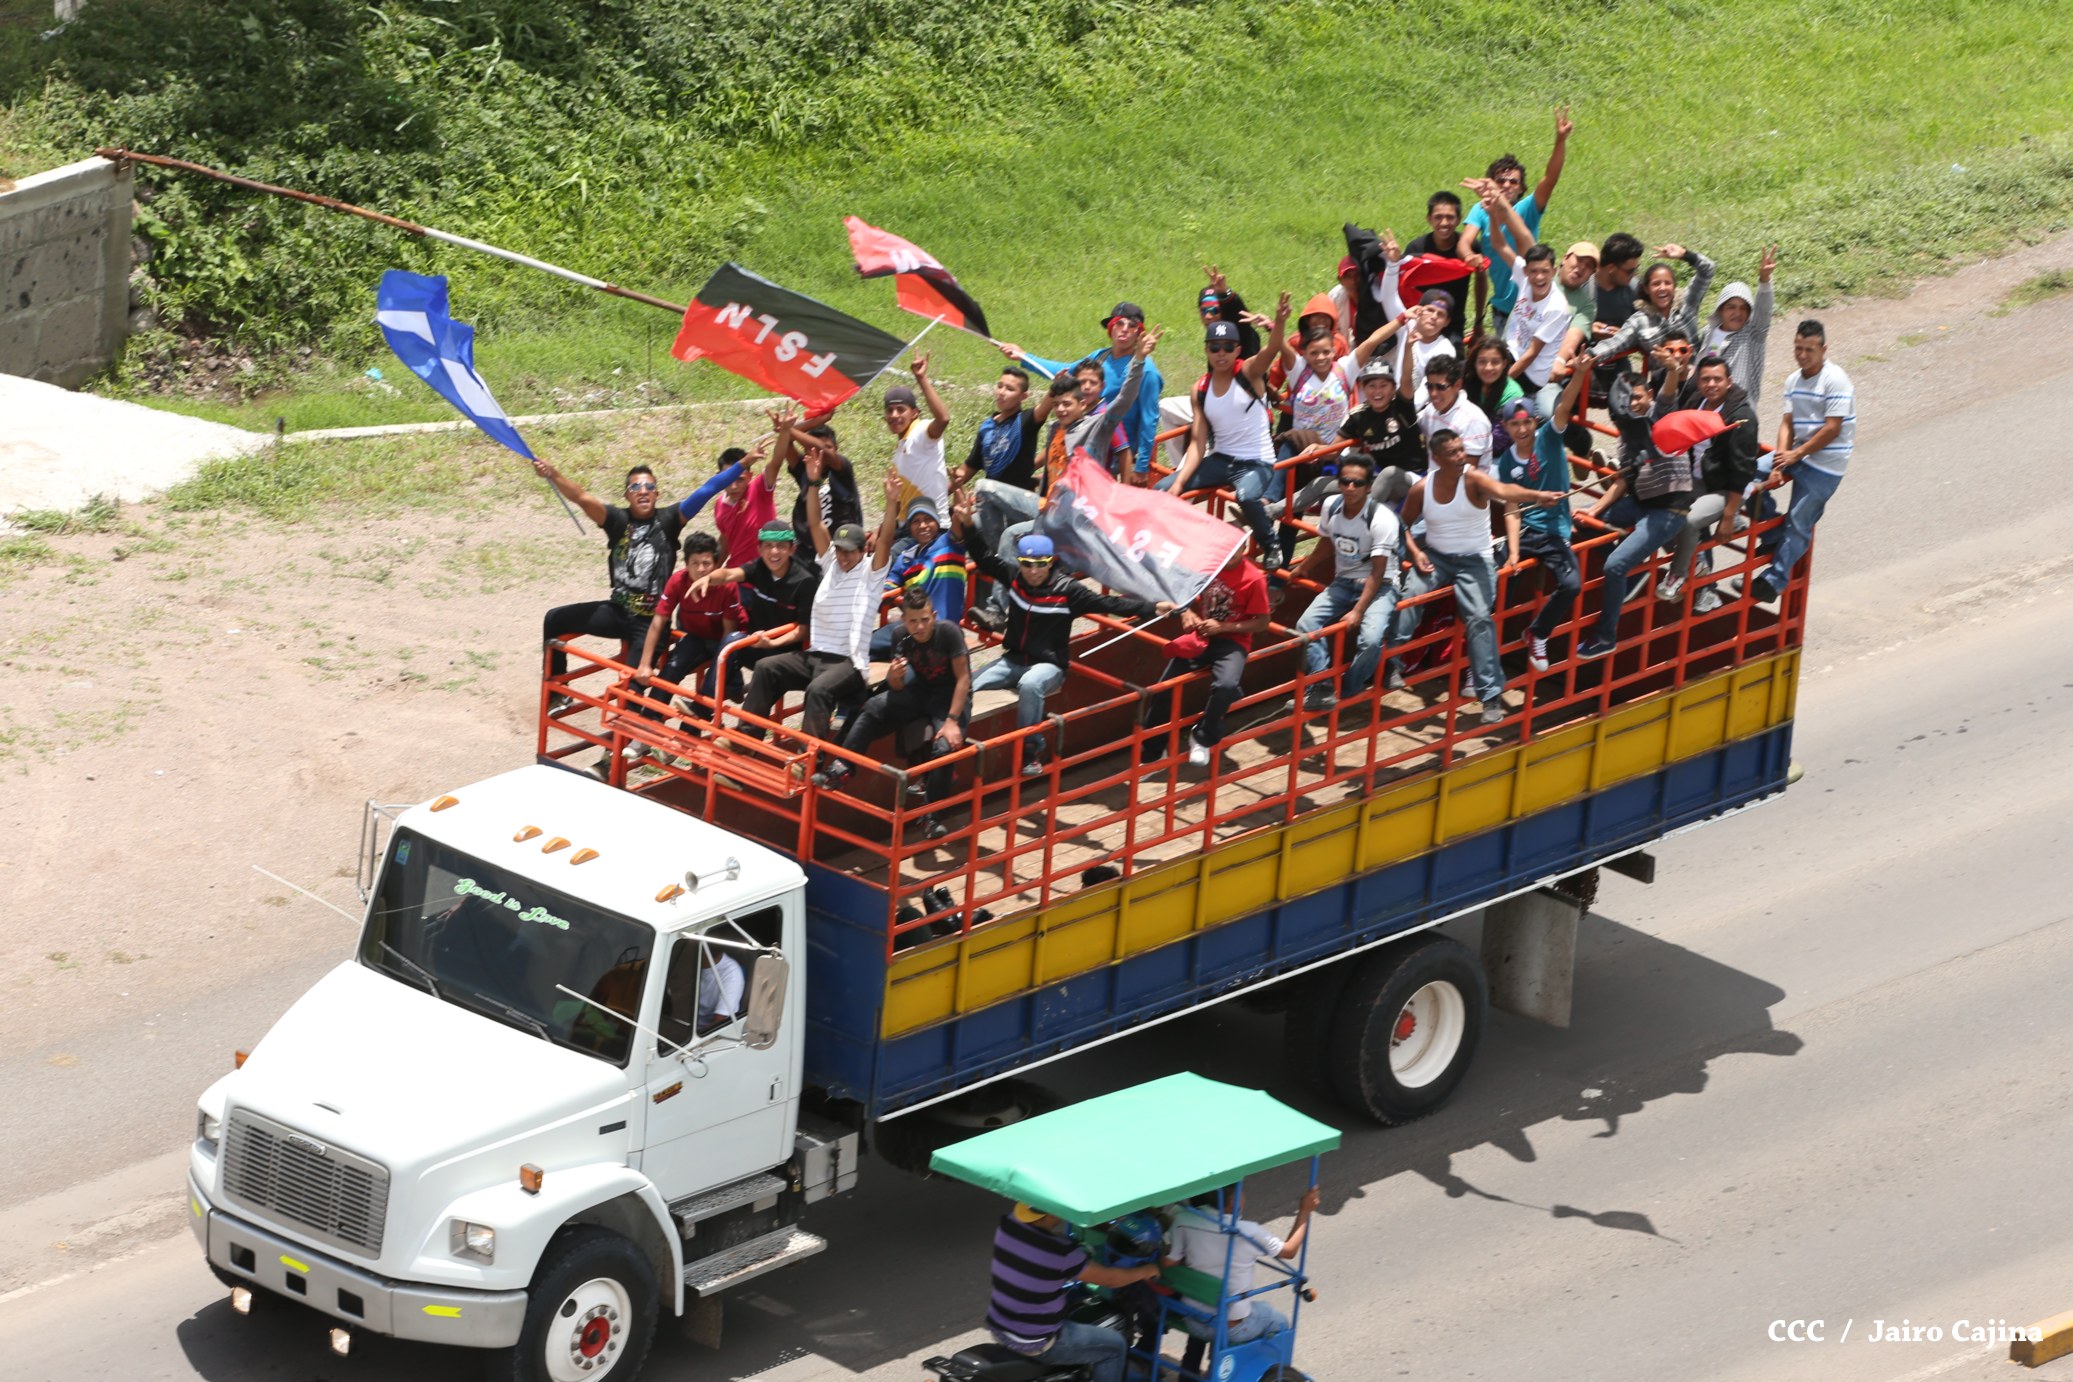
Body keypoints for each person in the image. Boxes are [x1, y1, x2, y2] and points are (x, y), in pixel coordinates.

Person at [952, 504, 1165, 774]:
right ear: (1020, 563)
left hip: (1049, 666)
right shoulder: (1014, 578)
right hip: (1012, 661)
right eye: (1027, 564)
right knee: (965, 685)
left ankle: (1030, 752)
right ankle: (952, 746)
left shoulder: (1068, 590)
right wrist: (969, 525)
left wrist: (1152, 608)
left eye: (1040, 564)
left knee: (1030, 684)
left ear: (1051, 562)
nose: (1033, 571)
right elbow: (984, 559)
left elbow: (1110, 604)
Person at [1387, 430, 1565, 722]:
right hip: (1437, 557)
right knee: (1410, 598)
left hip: (1475, 562)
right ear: (1436, 458)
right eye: (1453, 453)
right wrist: (1416, 553)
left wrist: (1537, 496)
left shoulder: (1474, 479)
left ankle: (1490, 695)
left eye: (1461, 449)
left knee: (1479, 619)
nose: (1461, 456)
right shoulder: (1422, 488)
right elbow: (1400, 525)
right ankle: (1391, 664)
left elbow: (1505, 491)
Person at [735, 465, 900, 742]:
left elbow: (885, 539)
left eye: (849, 552)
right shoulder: (831, 564)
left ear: (862, 551)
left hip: (848, 663)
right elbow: (815, 524)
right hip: (816, 655)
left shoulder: (871, 574)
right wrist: (812, 483)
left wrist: (892, 501)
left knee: (818, 690)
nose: (843, 557)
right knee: (766, 667)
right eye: (840, 550)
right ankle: (746, 739)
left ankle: (809, 756)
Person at [814, 589, 972, 840]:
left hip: (950, 698)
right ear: (904, 620)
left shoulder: (949, 633)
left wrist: (952, 721)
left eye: (925, 619)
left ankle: (931, 815)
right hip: (920, 691)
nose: (920, 627)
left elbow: (963, 679)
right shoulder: (900, 636)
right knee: (872, 706)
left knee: (944, 748)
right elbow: (897, 687)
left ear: (933, 616)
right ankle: (843, 766)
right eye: (913, 621)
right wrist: (893, 677)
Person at [534, 460, 693, 704]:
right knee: (554, 619)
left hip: (651, 623)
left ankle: (632, 724)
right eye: (635, 487)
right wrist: (553, 473)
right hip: (618, 611)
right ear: (627, 495)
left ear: (657, 494)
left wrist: (742, 464)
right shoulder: (618, 520)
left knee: (630, 694)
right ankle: (558, 694)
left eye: (649, 487)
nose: (643, 491)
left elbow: (707, 491)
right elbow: (581, 498)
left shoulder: (669, 520)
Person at [1575, 361, 1699, 660]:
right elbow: (1623, 480)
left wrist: (1672, 370)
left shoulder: (1661, 416)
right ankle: (1633, 572)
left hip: (1669, 510)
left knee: (1614, 566)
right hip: (1640, 502)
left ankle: (1606, 637)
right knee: (1580, 522)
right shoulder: (1627, 432)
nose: (1633, 403)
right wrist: (1594, 510)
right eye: (1627, 399)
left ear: (1650, 395)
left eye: (1638, 397)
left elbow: (1668, 395)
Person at [1165, 296, 1292, 569]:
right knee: (1161, 489)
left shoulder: (1248, 372)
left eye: (1227, 347)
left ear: (1238, 350)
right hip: (1221, 459)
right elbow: (1197, 443)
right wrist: (1178, 481)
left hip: (1257, 461)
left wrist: (1279, 322)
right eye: (1214, 347)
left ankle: (1271, 545)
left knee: (1245, 496)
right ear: (1207, 350)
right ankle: (1176, 545)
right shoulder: (1200, 388)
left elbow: (1271, 350)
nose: (1220, 353)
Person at [981, 1202, 1159, 1382]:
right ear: (1051, 1214)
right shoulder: (1060, 1250)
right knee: (1116, 1346)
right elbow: (1111, 1280)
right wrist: (1146, 1271)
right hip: (1035, 1341)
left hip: (999, 1327)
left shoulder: (1008, 1225)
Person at [1001, 301, 1165, 484]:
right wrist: (1024, 356)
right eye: (1119, 323)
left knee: (1061, 461)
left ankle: (1037, 480)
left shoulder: (1146, 371)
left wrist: (1142, 467)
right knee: (1059, 435)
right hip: (1083, 430)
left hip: (1113, 445)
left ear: (1139, 333)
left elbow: (1149, 419)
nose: (1124, 329)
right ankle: (1027, 476)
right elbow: (1064, 371)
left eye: (1132, 325)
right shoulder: (1100, 357)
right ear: (1111, 328)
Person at [1494, 361, 1590, 671]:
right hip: (1525, 533)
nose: (1522, 430)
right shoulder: (1506, 463)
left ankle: (1538, 632)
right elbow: (1512, 508)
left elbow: (1565, 405)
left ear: (1534, 422)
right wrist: (1513, 552)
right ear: (1505, 427)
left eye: (1526, 423)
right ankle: (1483, 662)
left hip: (1555, 531)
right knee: (1498, 590)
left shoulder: (1549, 436)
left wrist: (1579, 373)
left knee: (1572, 584)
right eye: (1514, 424)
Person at [1751, 320, 1855, 604]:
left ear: (1823, 349)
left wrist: (1796, 455)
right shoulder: (1793, 381)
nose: (1803, 355)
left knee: (1799, 520)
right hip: (1798, 453)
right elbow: (1787, 423)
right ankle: (1772, 533)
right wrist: (1778, 464)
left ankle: (1774, 581)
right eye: (1798, 348)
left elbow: (1832, 429)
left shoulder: (1835, 380)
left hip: (1826, 464)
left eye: (1809, 349)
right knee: (1748, 476)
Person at [1290, 454, 1402, 710]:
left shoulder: (1382, 518)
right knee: (1305, 625)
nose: (1350, 487)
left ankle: (1349, 687)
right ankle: (1322, 685)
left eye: (1358, 483)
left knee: (1371, 639)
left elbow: (1378, 572)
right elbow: (1327, 542)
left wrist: (1357, 611)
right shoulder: (1331, 506)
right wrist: (1304, 568)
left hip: (1381, 585)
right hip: (1343, 582)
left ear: (1369, 486)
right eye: (1345, 481)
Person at [1148, 550, 1272, 767]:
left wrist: (1223, 627)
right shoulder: (1206, 564)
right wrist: (1186, 612)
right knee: (1163, 688)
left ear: (1244, 547)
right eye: (1227, 547)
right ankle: (1152, 751)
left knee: (1226, 685)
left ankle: (1203, 737)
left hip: (1233, 642)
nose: (1230, 553)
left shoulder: (1254, 578)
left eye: (1236, 548)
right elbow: (1178, 589)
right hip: (1200, 637)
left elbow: (1262, 622)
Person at [1461, 105, 1574, 341]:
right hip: (1502, 308)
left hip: (1535, 299)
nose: (1506, 185)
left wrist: (1560, 140)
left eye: (1513, 181)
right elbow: (1465, 242)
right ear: (1491, 182)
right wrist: (1470, 256)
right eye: (1500, 180)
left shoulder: (1528, 208)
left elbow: (1550, 179)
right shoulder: (1481, 209)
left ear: (1521, 187)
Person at [1164, 1183, 1321, 1349]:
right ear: (1234, 1201)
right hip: (1228, 1328)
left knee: (1257, 1308)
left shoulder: (1183, 1220)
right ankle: (1232, 1361)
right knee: (1279, 1321)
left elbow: (1169, 1261)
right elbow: (1289, 1251)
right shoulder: (1247, 1231)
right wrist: (1305, 1211)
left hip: (1193, 1320)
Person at [1659, 352, 1760, 611]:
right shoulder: (1696, 401)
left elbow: (1742, 471)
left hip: (1726, 487)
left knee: (1690, 520)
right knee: (1655, 505)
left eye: (1717, 379)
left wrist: (1729, 515)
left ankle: (1677, 575)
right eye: (1705, 380)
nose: (1711, 385)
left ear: (1729, 381)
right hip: (1696, 478)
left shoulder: (1741, 418)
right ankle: (1698, 565)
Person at [683, 519, 819, 709]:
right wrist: (708, 578)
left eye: (781, 546)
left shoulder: (804, 582)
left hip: (784, 652)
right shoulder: (760, 567)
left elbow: (802, 631)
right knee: (729, 641)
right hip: (756, 643)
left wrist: (772, 643)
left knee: (762, 679)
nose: (774, 552)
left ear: (791, 549)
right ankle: (707, 705)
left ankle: (729, 711)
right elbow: (729, 574)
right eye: (768, 546)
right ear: (760, 549)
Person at [1469, 181, 1575, 415]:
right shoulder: (1525, 277)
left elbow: (1531, 354)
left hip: (1531, 372)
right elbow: (1499, 244)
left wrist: (1499, 382)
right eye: (1534, 271)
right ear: (1526, 271)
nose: (1539, 277)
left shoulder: (1557, 308)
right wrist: (1492, 216)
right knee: (1471, 373)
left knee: (1489, 399)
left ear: (1554, 271)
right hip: (1510, 353)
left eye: (1545, 272)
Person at [632, 531, 742, 732]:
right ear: (686, 564)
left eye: (706, 563)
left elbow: (729, 632)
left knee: (716, 674)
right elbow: (658, 622)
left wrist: (725, 666)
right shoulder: (678, 581)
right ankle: (648, 723)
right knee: (670, 669)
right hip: (695, 638)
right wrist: (645, 664)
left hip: (723, 641)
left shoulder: (727, 586)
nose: (701, 569)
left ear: (716, 564)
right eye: (695, 563)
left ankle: (690, 730)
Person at [1587, 244, 1716, 374]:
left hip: (1695, 379)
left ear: (1674, 286)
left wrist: (1684, 254)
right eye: (1656, 284)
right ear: (1646, 289)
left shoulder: (1687, 302)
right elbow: (1615, 343)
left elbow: (1708, 269)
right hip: (1664, 383)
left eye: (1667, 283)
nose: (1662, 288)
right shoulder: (1639, 321)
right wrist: (1589, 355)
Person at [872, 496, 968, 661]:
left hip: (943, 633)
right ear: (910, 527)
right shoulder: (905, 558)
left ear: (937, 522)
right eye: (916, 521)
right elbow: (889, 586)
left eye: (928, 519)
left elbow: (958, 523)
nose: (923, 525)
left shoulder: (950, 544)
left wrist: (961, 510)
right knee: (865, 646)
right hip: (913, 630)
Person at [1703, 244, 1779, 409]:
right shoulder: (1708, 333)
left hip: (1738, 412)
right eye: (1731, 307)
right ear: (1721, 310)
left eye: (1743, 308)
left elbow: (1763, 311)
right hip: (1707, 412)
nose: (1738, 313)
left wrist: (1764, 280)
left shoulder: (1752, 335)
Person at [1403, 191, 1479, 346]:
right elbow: (1403, 284)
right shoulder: (1416, 248)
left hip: (1454, 323)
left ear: (1459, 219)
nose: (1444, 223)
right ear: (1429, 219)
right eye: (1438, 217)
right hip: (1421, 322)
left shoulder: (1469, 247)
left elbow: (1481, 279)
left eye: (1450, 217)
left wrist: (1479, 320)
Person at [884, 352, 952, 511]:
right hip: (908, 522)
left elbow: (943, 419)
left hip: (932, 523)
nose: (894, 415)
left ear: (914, 413)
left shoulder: (921, 433)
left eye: (901, 409)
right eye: (890, 410)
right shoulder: (899, 450)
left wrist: (921, 378)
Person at [1586, 232, 1646, 404]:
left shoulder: (1634, 290)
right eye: (1630, 271)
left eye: (1636, 269)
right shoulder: (1584, 287)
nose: (1634, 275)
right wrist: (1588, 331)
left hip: (1619, 362)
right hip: (1584, 364)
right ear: (1611, 268)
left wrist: (1626, 335)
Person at [1416, 356, 1494, 472]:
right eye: (1430, 387)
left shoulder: (1473, 420)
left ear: (1457, 385)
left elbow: (1465, 473)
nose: (1433, 393)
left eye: (1440, 387)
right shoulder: (1430, 410)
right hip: (1433, 477)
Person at [1462, 337, 1525, 430]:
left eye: (1495, 362)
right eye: (1482, 362)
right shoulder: (1465, 380)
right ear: (1475, 363)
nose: (1488, 368)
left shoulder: (1513, 395)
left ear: (1504, 364)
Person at [694, 946, 744, 1034]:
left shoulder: (732, 974)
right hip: (686, 1021)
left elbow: (720, 1020)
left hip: (704, 1030)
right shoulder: (690, 963)